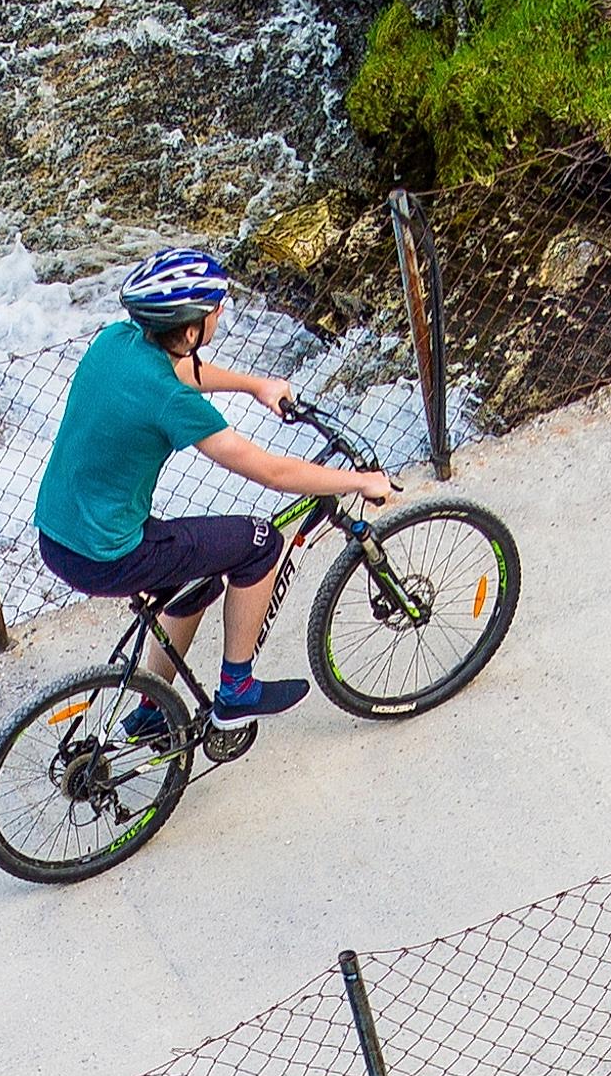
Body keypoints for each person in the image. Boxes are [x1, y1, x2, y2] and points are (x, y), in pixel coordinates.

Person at [29, 247, 400, 729]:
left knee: (193, 578)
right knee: (259, 543)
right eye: (214, 311)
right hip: (109, 553)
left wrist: (256, 385)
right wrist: (360, 480)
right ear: (189, 330)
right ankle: (237, 691)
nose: (220, 315)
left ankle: (152, 711)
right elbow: (273, 473)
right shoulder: (170, 401)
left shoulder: (116, 342)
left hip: (60, 535)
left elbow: (180, 368)